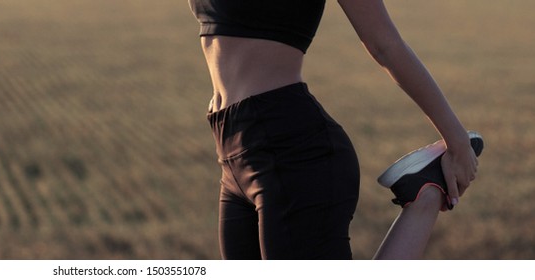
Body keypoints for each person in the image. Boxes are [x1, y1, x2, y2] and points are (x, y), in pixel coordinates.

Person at [190, 0, 481, 259]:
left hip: (292, 150)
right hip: (231, 148)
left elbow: (385, 43)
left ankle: (425, 197)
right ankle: (423, 189)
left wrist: (456, 141)